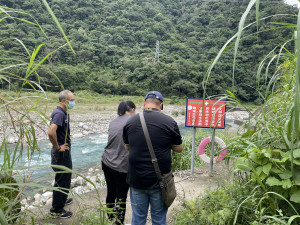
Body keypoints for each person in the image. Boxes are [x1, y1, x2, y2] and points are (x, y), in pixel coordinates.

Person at [123, 91, 183, 225]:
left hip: (137, 179)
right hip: (160, 181)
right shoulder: (169, 122)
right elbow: (179, 148)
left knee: (138, 218)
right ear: (161, 105)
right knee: (159, 219)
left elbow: (127, 147)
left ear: (144, 103)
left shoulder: (131, 121)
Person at [102, 101, 136, 224]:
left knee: (110, 192)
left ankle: (111, 219)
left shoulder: (113, 121)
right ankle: (119, 223)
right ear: (132, 109)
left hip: (106, 161)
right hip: (121, 165)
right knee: (121, 196)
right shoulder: (132, 122)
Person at [47, 90, 75, 219]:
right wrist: (57, 147)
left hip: (65, 152)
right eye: (71, 100)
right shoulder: (59, 113)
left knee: (66, 177)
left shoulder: (64, 112)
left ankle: (62, 200)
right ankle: (56, 210)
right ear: (64, 101)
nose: (73, 102)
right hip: (60, 153)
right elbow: (51, 132)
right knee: (61, 179)